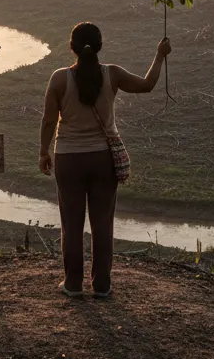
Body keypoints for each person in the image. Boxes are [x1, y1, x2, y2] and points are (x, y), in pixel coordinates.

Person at [38, 22, 171, 298]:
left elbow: (49, 120)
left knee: (71, 223)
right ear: (100, 46)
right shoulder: (112, 74)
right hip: (103, 160)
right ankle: (102, 284)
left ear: (71, 47)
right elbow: (147, 85)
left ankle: (72, 284)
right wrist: (159, 55)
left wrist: (43, 152)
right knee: (102, 223)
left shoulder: (59, 78)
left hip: (68, 159)